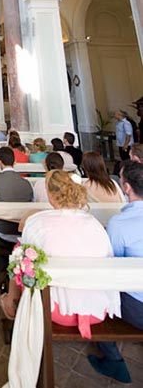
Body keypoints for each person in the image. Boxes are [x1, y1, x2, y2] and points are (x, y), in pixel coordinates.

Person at [0, 170, 120, 337]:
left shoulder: (38, 223)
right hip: (99, 309)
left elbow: (22, 257)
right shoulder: (95, 225)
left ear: (50, 195)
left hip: (54, 308)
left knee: (20, 252)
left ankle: (12, 301)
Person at [88, 161, 143, 383]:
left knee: (94, 293)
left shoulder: (119, 223)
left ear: (127, 187)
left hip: (138, 306)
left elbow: (111, 269)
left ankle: (113, 360)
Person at [0, 147, 33, 265]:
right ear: (14, 161)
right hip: (22, 233)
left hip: (2, 232)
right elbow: (31, 209)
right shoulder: (28, 183)